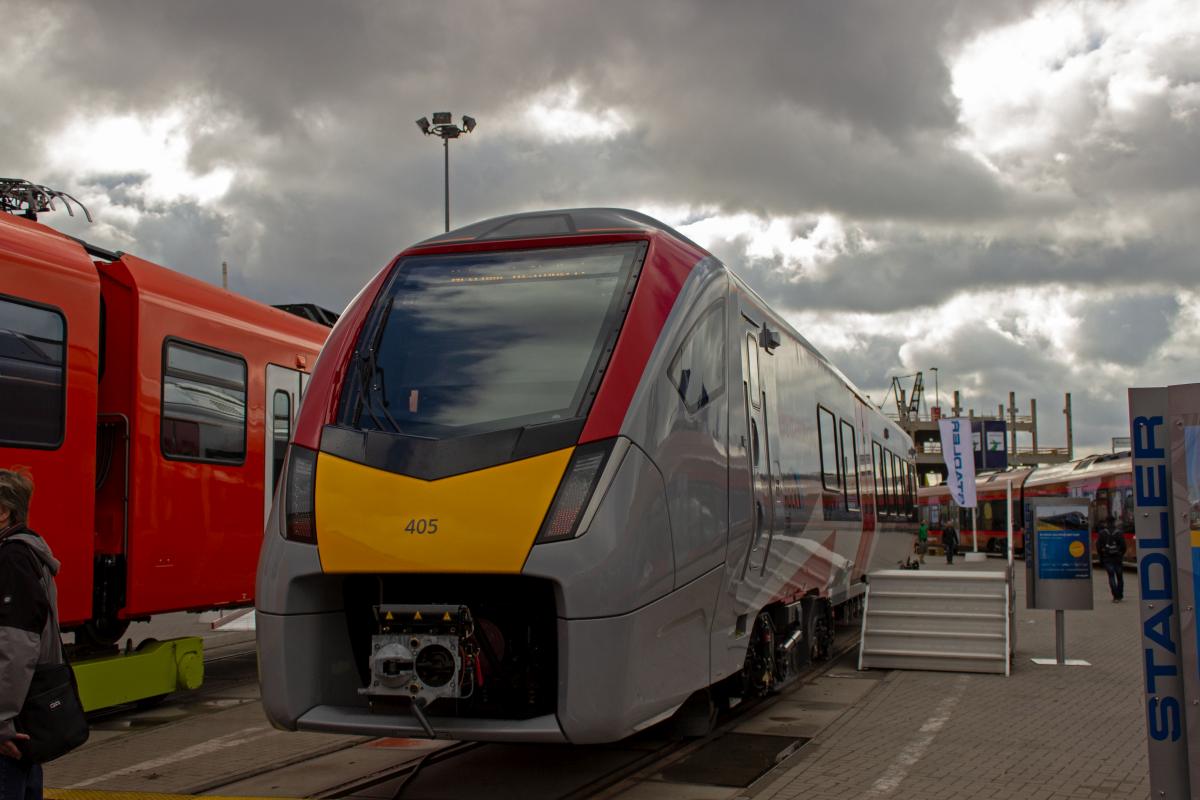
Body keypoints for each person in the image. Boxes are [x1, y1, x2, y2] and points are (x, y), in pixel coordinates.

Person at [1, 468, 61, 800]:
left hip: (9, 728)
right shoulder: (29, 553)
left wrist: (1, 724)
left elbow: (15, 649)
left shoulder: (11, 561)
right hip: (24, 721)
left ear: (3, 512)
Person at [1096, 519, 1126, 602]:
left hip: (1107, 557)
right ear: (1114, 523)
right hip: (1117, 558)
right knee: (1120, 576)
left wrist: (1101, 557)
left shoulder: (1102, 533)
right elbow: (1124, 547)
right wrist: (1120, 554)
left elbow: (1098, 547)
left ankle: (1115, 596)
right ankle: (1120, 594)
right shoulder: (1119, 533)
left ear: (1106, 523)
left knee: (1111, 576)